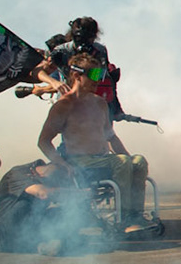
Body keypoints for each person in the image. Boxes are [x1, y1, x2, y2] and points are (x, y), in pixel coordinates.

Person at [38, 52, 150, 231]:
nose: (98, 81)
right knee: (121, 162)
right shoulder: (63, 106)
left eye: (101, 75)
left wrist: (130, 159)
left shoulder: (100, 103)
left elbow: (111, 136)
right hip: (82, 162)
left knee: (139, 161)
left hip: (104, 159)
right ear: (77, 75)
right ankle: (124, 218)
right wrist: (62, 164)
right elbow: (43, 141)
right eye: (94, 76)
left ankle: (136, 214)